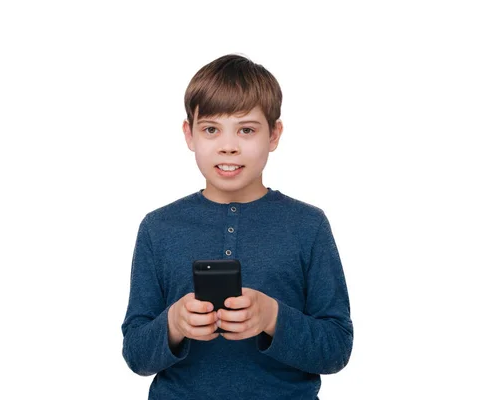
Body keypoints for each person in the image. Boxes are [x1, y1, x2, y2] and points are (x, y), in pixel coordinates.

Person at [121, 54, 353, 399]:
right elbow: (136, 355)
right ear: (189, 134)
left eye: (246, 129)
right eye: (211, 129)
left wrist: (272, 317)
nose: (228, 145)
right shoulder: (158, 227)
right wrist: (174, 324)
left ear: (274, 135)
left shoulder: (308, 225)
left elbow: (336, 349)